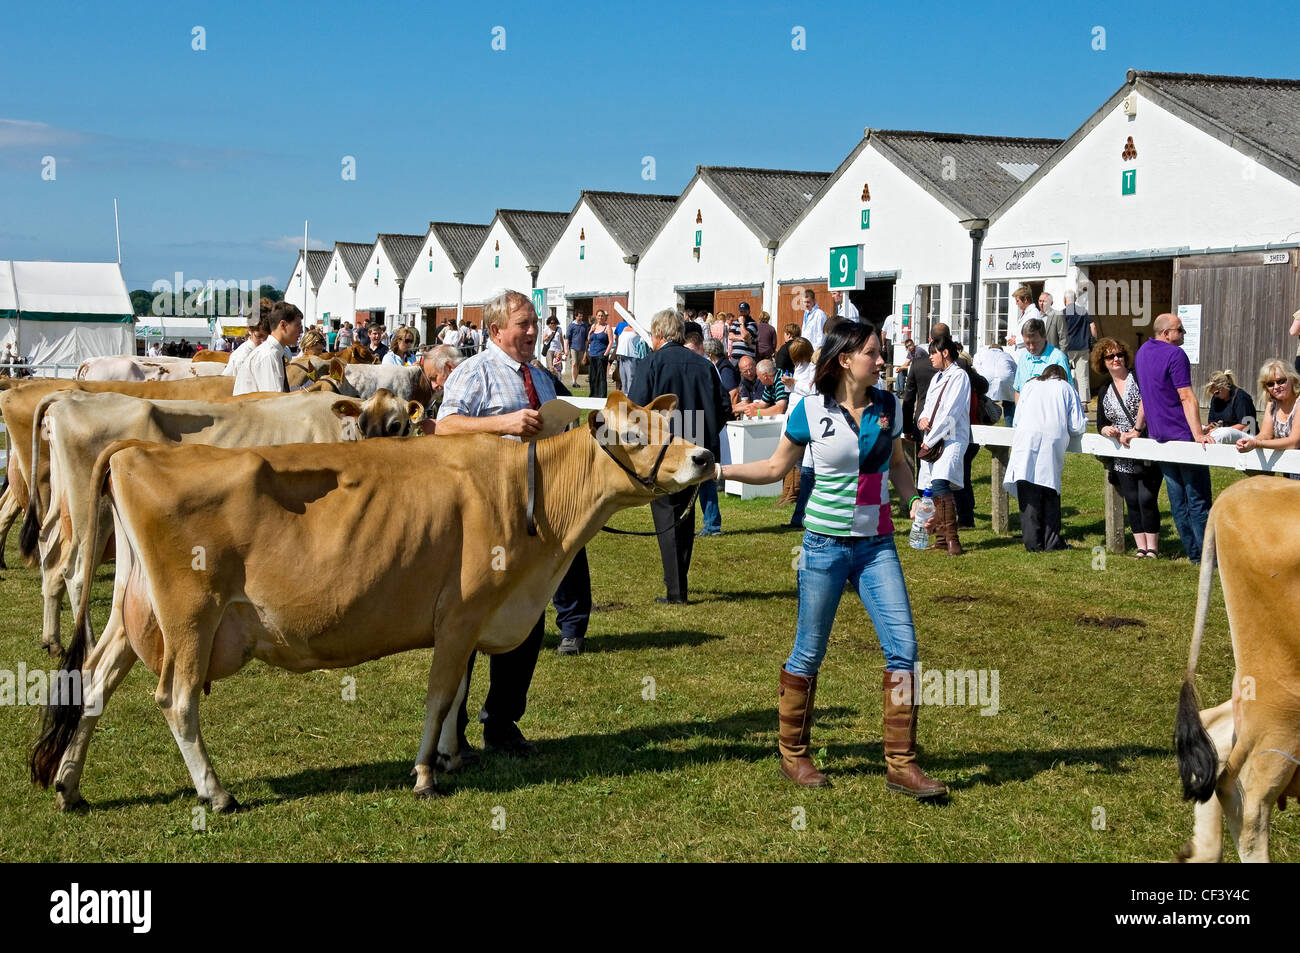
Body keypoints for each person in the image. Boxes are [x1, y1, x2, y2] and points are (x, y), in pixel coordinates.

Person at [719, 321, 946, 798]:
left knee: (904, 647)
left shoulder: (888, 406)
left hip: (877, 545)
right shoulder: (809, 407)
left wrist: (917, 502)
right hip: (823, 545)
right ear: (845, 360)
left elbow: (899, 466)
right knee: (810, 649)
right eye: (873, 353)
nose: (882, 361)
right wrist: (717, 469)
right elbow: (775, 468)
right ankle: (794, 755)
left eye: (881, 353)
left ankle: (902, 765)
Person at [437, 290, 593, 759]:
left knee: (526, 616)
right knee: (470, 618)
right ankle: (452, 730)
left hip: (539, 515)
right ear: (495, 330)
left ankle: (502, 725)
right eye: (522, 324)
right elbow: (444, 426)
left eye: (534, 324)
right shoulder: (473, 371)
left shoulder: (543, 377)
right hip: (487, 515)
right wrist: (505, 422)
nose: (531, 332)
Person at [628, 309, 731, 604]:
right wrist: (704, 432)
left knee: (667, 517)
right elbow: (724, 408)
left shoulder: (651, 363)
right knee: (685, 516)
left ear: (658, 335)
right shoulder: (704, 365)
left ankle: (676, 591)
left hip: (664, 453)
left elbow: (636, 411)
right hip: (697, 449)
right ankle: (678, 581)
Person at [1130, 312, 1214, 563]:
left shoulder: (1143, 352)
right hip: (1182, 437)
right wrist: (1198, 433)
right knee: (1197, 499)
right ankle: (1206, 557)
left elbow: (1146, 395)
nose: (1184, 333)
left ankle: (1193, 554)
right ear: (1166, 333)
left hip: (1160, 439)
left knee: (1178, 500)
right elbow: (1186, 396)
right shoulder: (1176, 355)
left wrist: (1137, 427)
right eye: (1180, 329)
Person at [1004, 365, 1087, 552]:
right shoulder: (1066, 388)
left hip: (1026, 440)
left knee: (1028, 491)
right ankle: (1051, 542)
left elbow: (1017, 418)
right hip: (1051, 441)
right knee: (1049, 491)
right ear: (1063, 377)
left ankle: (1033, 543)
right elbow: (1077, 426)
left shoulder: (1030, 385)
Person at [1094, 338, 1163, 557]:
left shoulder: (1138, 378)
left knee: (1147, 498)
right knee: (1132, 499)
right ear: (1102, 362)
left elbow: (1151, 404)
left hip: (1145, 444)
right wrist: (1107, 431)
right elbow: (1101, 422)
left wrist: (1137, 430)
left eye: (1119, 355)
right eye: (1110, 356)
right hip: (1122, 453)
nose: (1116, 359)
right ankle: (1140, 547)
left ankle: (1153, 547)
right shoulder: (1105, 389)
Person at [916, 334, 971, 556]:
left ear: (945, 353)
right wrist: (922, 419)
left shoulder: (959, 377)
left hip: (951, 438)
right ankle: (940, 539)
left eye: (933, 353)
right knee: (930, 488)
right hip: (932, 438)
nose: (930, 358)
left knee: (940, 483)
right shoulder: (937, 378)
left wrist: (930, 440)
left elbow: (951, 413)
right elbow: (928, 405)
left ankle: (952, 541)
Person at [1236, 360, 1300, 475]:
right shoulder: (1272, 404)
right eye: (1270, 384)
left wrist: (1256, 444)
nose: (1276, 387)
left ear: (1292, 379)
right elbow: (1266, 435)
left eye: (1281, 381)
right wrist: (1249, 441)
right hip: (1290, 464)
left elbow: (1293, 443)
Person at [234, 301, 302, 395]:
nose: (301, 331)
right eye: (298, 325)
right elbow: (274, 402)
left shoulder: (274, 352)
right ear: (283, 325)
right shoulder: (268, 355)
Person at [1013, 318, 1072, 398]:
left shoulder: (1058, 358)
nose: (1031, 347)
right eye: (1027, 343)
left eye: (1035, 343)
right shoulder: (1023, 357)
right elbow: (1018, 391)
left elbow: (1068, 392)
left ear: (1044, 337)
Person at [1062, 290, 1098, 404]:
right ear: (1076, 299)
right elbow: (1093, 326)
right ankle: (1083, 403)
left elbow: (1059, 331)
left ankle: (1066, 399)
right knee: (1082, 375)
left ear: (1064, 300)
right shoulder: (1083, 312)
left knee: (1064, 374)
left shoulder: (1062, 313)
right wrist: (1094, 342)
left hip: (1067, 348)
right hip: (1083, 347)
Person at [1201, 370, 1256, 443]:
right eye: (1213, 394)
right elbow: (1213, 422)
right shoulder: (1216, 399)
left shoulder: (1241, 397)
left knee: (1223, 434)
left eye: (1217, 393)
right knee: (1199, 429)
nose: (1215, 396)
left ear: (1225, 386)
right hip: (1223, 431)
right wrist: (1209, 427)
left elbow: (1246, 426)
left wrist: (1220, 430)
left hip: (1247, 434)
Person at [417, 343, 464, 428]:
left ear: (449, 367)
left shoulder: (467, 387)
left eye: (434, 378)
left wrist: (437, 427)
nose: (433, 386)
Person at [973, 341, 1017, 426]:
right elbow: (1015, 369)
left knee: (984, 402)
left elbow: (976, 367)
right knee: (1009, 402)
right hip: (1006, 378)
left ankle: (985, 423)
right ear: (1001, 349)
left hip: (986, 378)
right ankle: (1010, 425)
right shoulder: (1006, 355)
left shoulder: (982, 354)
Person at [615, 316, 643, 396]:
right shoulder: (624, 328)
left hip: (631, 357)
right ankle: (624, 403)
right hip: (622, 356)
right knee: (623, 381)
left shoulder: (637, 329)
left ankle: (632, 400)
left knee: (631, 379)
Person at [587, 310, 613, 398]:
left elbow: (611, 342)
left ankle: (602, 395)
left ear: (605, 317)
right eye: (598, 316)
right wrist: (590, 332)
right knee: (592, 376)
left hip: (602, 354)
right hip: (593, 354)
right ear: (596, 317)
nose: (600, 317)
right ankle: (593, 394)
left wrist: (605, 354)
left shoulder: (607, 327)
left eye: (602, 316)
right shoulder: (593, 326)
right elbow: (589, 340)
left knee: (601, 376)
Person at [565, 311, 589, 386]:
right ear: (575, 316)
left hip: (581, 348)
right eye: (579, 316)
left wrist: (586, 350)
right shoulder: (571, 326)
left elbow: (586, 339)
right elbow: (567, 338)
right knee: (574, 363)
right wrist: (566, 349)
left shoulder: (584, 326)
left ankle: (575, 381)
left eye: (581, 316)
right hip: (573, 347)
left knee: (578, 365)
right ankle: (573, 381)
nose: (580, 318)